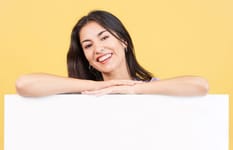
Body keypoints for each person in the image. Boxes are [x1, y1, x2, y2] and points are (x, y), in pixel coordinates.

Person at [15, 10, 209, 97]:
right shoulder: (84, 93)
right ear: (85, 57)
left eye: (104, 37)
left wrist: (133, 89)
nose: (98, 48)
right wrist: (98, 86)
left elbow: (200, 86)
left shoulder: (150, 89)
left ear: (123, 41)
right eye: (88, 45)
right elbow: (24, 84)